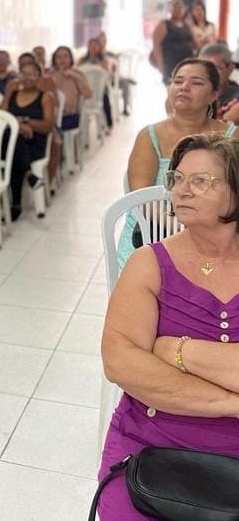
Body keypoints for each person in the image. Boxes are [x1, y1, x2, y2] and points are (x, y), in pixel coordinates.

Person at [99, 132, 239, 520]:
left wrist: (175, 350)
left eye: (201, 181)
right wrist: (232, 402)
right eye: (177, 179)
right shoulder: (149, 262)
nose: (182, 191)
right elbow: (121, 363)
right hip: (151, 444)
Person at [117, 59, 236, 270]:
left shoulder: (232, 138)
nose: (184, 87)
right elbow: (143, 201)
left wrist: (211, 238)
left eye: (196, 82)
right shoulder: (149, 136)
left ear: (214, 94)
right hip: (151, 234)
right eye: (178, 81)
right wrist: (187, 235)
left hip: (216, 238)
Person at [0, 59, 55, 221]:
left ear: (39, 77)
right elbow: (2, 117)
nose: (27, 78)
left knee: (14, 150)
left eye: (32, 74)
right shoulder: (14, 95)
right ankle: (29, 174)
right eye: (24, 74)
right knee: (13, 140)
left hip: (35, 142)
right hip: (13, 141)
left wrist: (23, 121)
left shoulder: (46, 97)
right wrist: (9, 92)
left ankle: (16, 204)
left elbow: (48, 126)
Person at [153, 0, 195, 85]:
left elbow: (193, 42)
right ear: (171, 9)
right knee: (172, 89)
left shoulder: (186, 24)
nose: (178, 10)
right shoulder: (164, 24)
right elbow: (156, 45)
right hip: (170, 64)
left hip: (186, 63)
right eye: (175, 7)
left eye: (180, 7)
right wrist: (160, 64)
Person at [50, 46, 92, 131]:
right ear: (54, 59)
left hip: (70, 116)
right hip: (52, 115)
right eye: (59, 57)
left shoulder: (77, 74)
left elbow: (88, 95)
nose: (62, 60)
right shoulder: (50, 76)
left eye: (66, 57)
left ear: (71, 59)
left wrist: (75, 77)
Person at [199, 43, 239, 122]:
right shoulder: (190, 95)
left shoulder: (236, 101)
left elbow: (231, 132)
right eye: (202, 67)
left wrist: (228, 123)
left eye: (216, 67)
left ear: (230, 69)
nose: (208, 73)